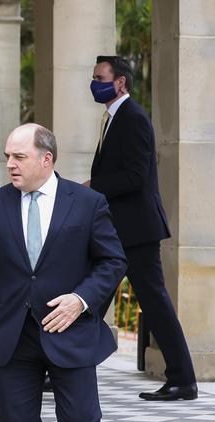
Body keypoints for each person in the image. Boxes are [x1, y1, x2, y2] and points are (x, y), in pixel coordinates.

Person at [0, 124, 127, 422]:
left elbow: (113, 261)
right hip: (13, 334)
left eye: (19, 157)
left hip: (69, 329)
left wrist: (80, 299)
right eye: (7, 156)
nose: (10, 164)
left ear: (46, 159)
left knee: (80, 419)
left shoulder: (87, 203)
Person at [87, 55, 198, 401]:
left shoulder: (132, 118)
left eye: (100, 77)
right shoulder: (114, 118)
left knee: (153, 303)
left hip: (136, 231)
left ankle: (183, 379)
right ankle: (67, 367)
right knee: (92, 297)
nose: (94, 83)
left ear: (120, 82)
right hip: (119, 230)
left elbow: (136, 176)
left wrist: (95, 185)